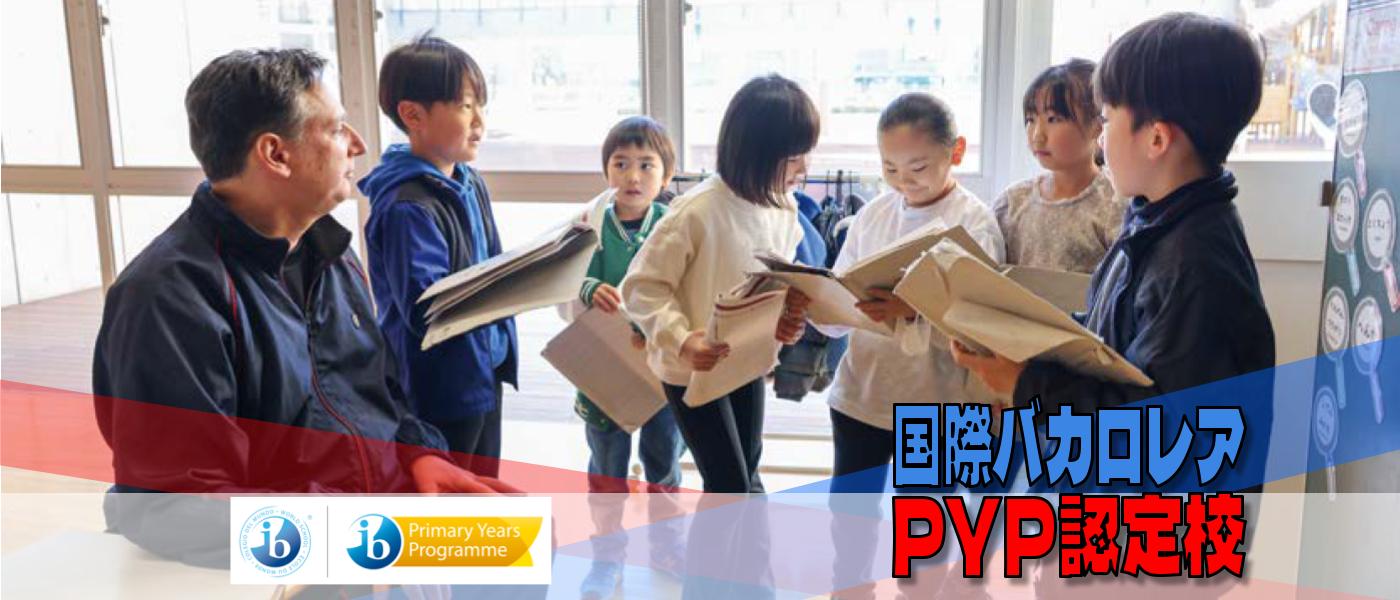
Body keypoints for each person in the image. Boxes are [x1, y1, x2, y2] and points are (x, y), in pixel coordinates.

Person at [92, 48, 510, 568]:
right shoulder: (168, 297)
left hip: (371, 524)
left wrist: (418, 454)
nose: (358, 144)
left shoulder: (330, 254)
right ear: (276, 154)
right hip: (307, 559)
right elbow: (179, 507)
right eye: (335, 129)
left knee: (524, 546)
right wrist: (360, 539)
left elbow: (380, 395)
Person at [953, 14, 1276, 478]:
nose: (1100, 139)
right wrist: (1020, 336)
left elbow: (1157, 431)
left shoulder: (1195, 263)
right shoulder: (1155, 216)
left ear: (1157, 138)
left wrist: (1026, 385)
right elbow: (1113, 336)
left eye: (1105, 120)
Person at [816, 93, 1006, 599]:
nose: (903, 181)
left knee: (925, 524)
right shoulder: (873, 215)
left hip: (937, 403)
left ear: (955, 152)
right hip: (861, 393)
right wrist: (814, 303)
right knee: (850, 516)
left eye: (918, 167)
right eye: (890, 168)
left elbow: (982, 325)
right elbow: (840, 296)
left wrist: (913, 308)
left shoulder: (975, 224)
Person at [621, 74, 815, 494]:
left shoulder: (783, 207)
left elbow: (775, 282)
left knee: (747, 472)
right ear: (758, 153)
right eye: (794, 158)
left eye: (805, 155)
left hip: (745, 357)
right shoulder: (697, 211)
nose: (804, 169)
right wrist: (681, 340)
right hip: (692, 367)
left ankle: (752, 540)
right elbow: (639, 288)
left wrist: (786, 317)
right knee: (729, 484)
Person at [359, 35, 518, 478]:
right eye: (466, 106)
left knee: (484, 484)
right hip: (444, 386)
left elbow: (491, 259)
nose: (480, 121)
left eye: (481, 105)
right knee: (447, 492)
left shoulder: (468, 180)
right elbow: (425, 309)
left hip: (485, 367)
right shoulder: (407, 205)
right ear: (413, 115)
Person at [574, 116, 688, 597]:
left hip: (658, 371)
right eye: (620, 164)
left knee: (663, 462)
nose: (633, 176)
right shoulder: (589, 223)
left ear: (666, 176)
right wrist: (588, 288)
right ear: (606, 170)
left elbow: (686, 288)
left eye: (646, 165)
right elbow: (566, 280)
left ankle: (666, 546)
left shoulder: (675, 226)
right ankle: (607, 557)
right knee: (607, 467)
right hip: (603, 369)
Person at [995, 58, 1126, 274]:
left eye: (1053, 119)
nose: (1037, 135)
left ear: (1096, 125)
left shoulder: (1113, 205)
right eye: (1031, 119)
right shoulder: (1012, 202)